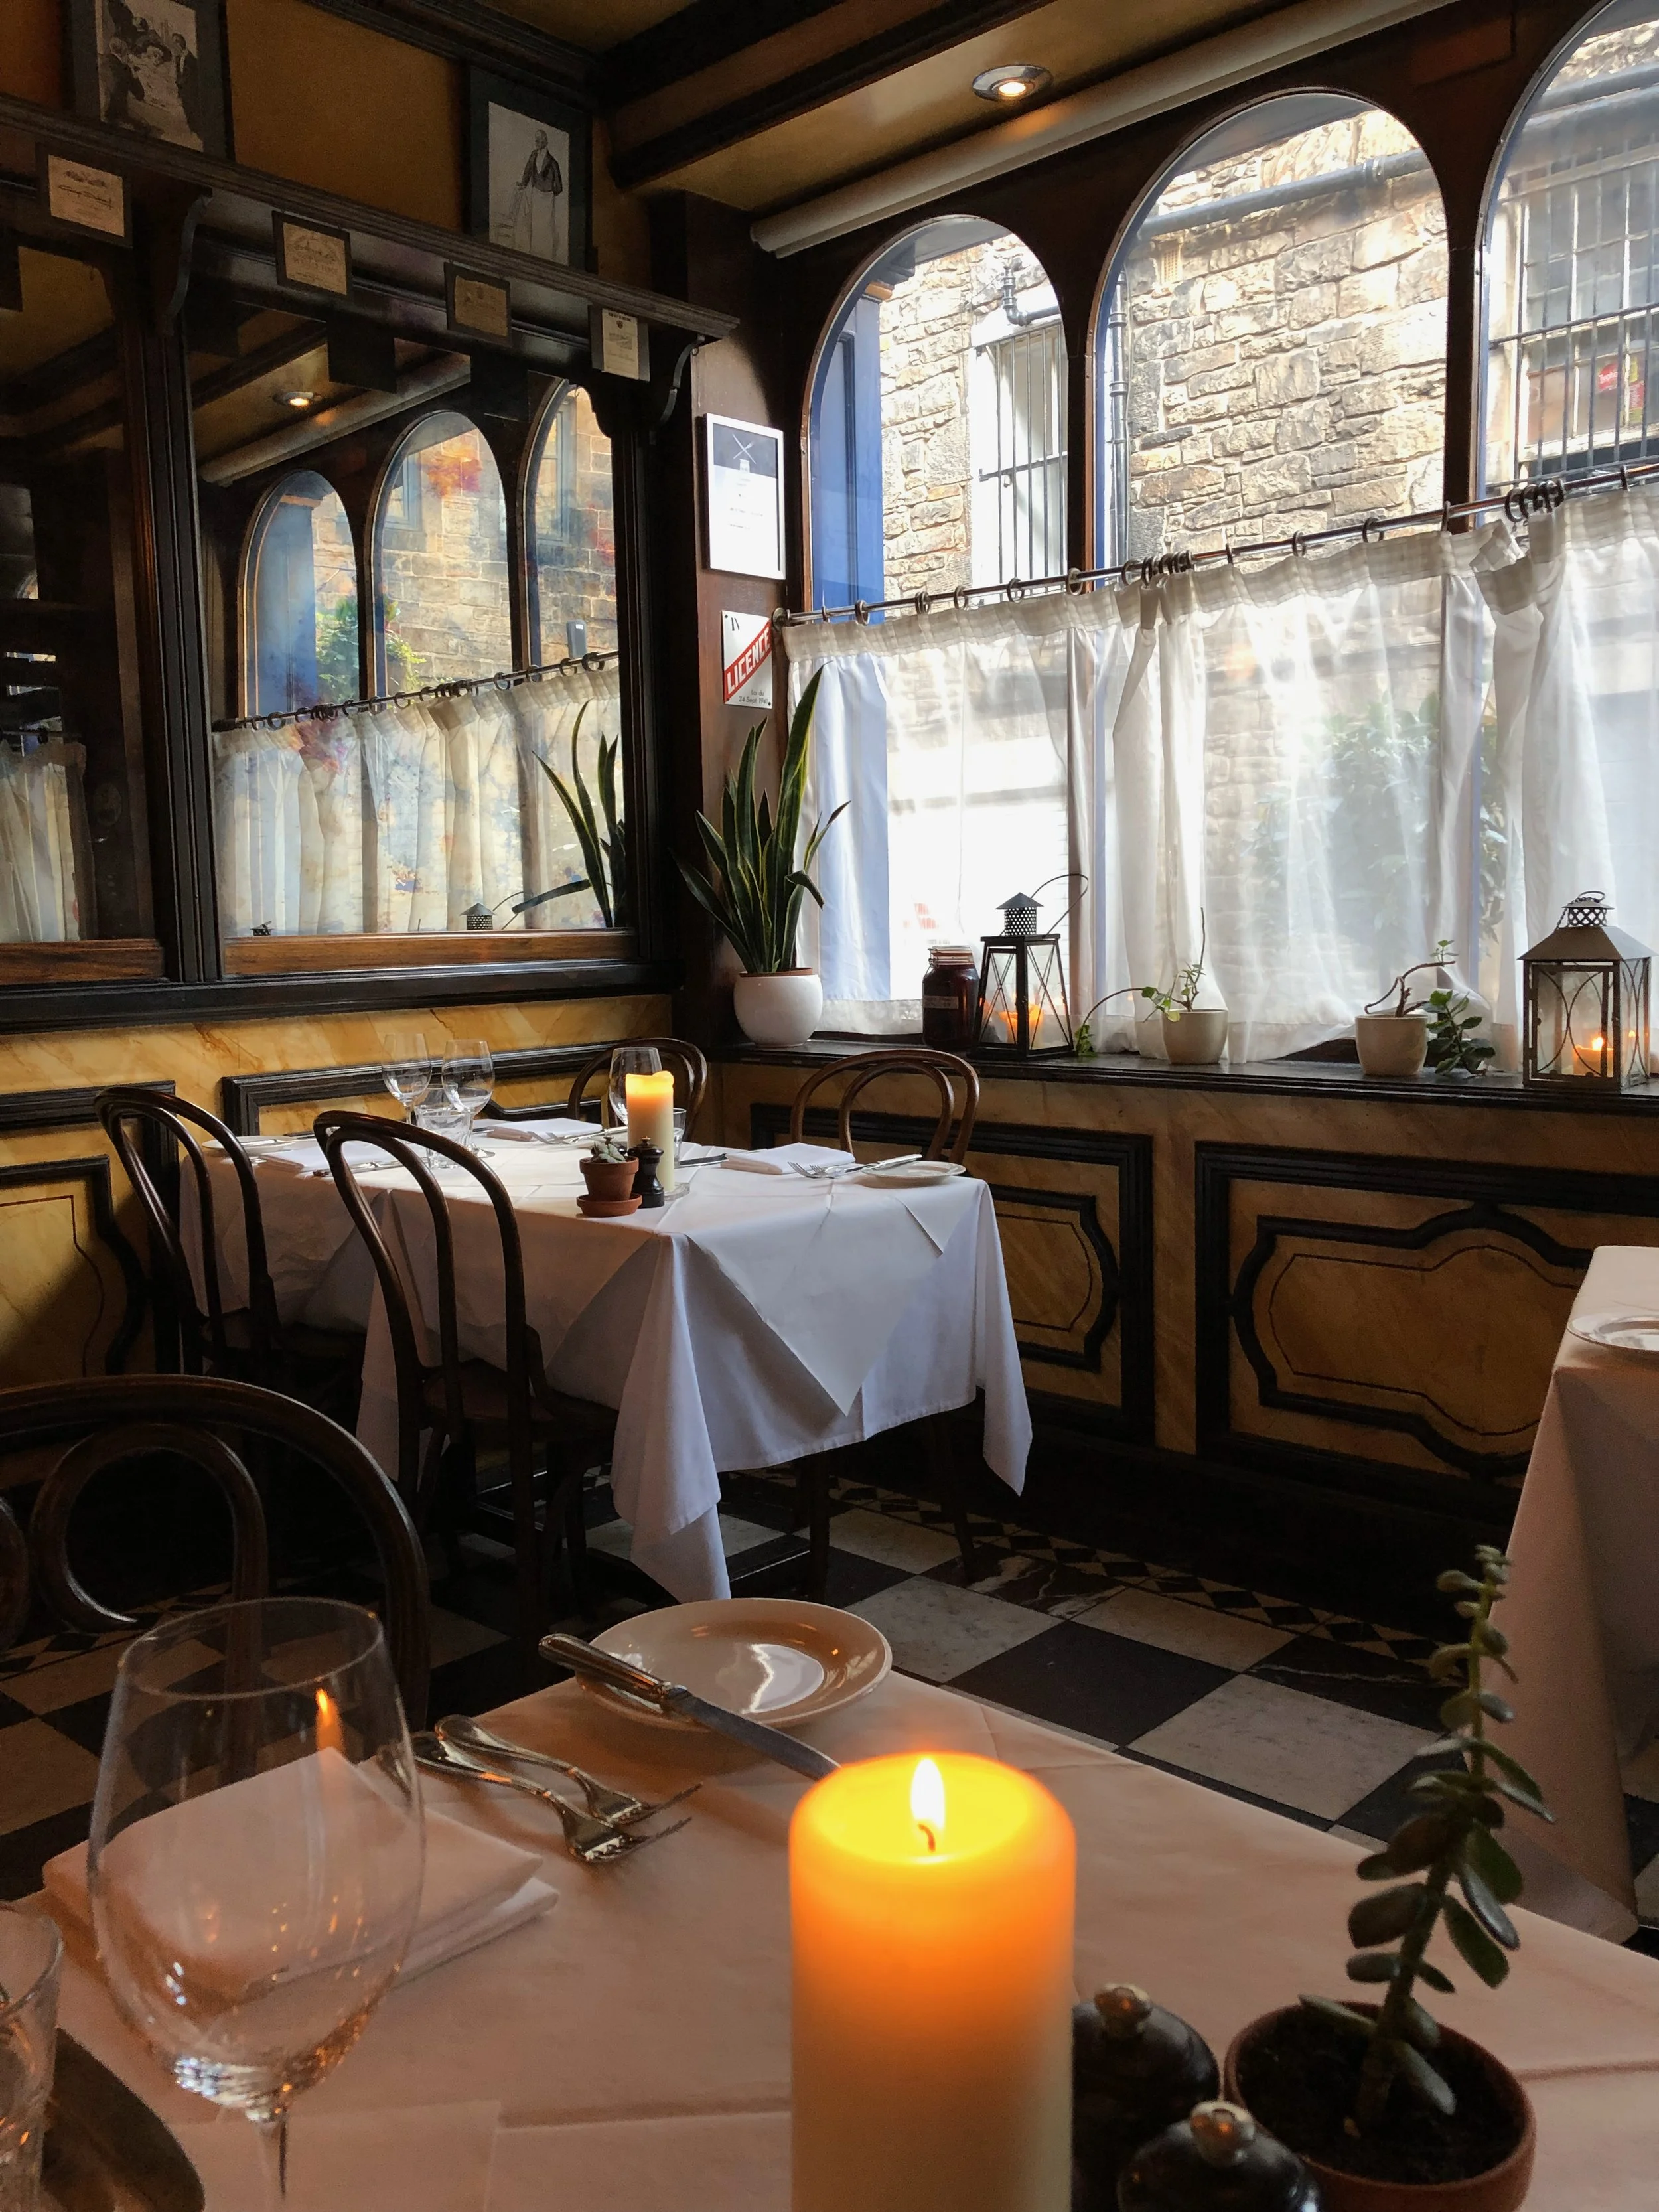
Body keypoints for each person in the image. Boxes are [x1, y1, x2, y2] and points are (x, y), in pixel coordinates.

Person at [506, 129, 565, 261]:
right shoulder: (533, 155)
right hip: (535, 195)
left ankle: (547, 257)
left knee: (546, 227)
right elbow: (527, 171)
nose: (536, 142)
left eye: (539, 139)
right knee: (535, 225)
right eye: (535, 139)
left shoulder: (553, 162)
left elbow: (559, 187)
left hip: (547, 198)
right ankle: (535, 255)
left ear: (546, 141)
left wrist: (550, 193)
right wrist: (523, 184)